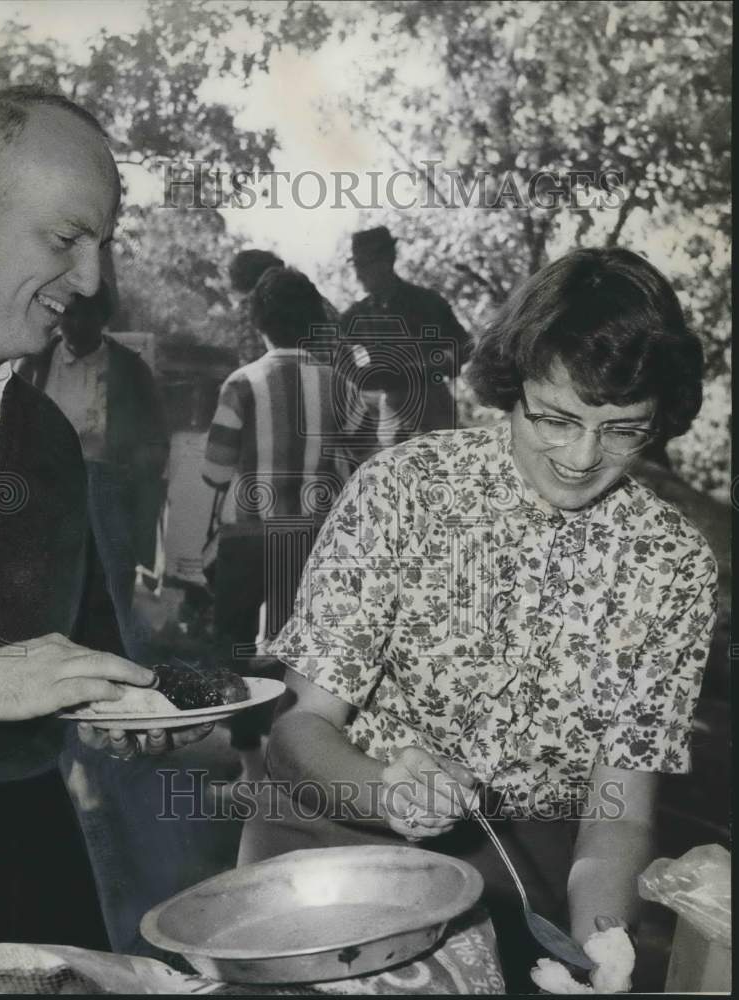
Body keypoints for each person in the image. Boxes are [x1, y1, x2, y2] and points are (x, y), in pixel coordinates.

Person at [240, 247, 719, 991]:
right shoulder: (404, 491)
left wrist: (602, 952)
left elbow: (617, 812)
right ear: (512, 386)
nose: (582, 455)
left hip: (517, 871)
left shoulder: (672, 564)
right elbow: (297, 735)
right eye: (556, 418)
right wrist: (384, 788)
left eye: (624, 429)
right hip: (336, 849)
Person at [0, 86, 208, 946]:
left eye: (103, 246)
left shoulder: (49, 435)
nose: (94, 280)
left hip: (36, 860)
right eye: (65, 240)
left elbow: (80, 647)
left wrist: (121, 705)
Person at [202, 266, 355, 780]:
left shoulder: (241, 384)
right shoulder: (339, 387)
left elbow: (214, 471)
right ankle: (293, 761)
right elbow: (367, 466)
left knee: (236, 645)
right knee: (304, 651)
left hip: (247, 535)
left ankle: (248, 763)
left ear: (258, 321)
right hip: (312, 538)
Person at [18, 281, 168, 661]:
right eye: (67, 312)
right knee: (49, 589)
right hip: (47, 491)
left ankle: (118, 671)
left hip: (107, 492)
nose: (73, 323)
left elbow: (154, 442)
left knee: (112, 590)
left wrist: (133, 478)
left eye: (84, 314)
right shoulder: (36, 361)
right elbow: (10, 425)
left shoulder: (129, 368)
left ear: (102, 319)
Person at [339, 225, 470, 455]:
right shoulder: (357, 315)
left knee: (443, 470)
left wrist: (434, 365)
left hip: (434, 404)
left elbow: (465, 346)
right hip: (390, 407)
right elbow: (336, 357)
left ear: (387, 260)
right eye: (357, 266)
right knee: (396, 476)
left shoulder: (427, 302)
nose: (359, 274)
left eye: (365, 265)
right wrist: (364, 375)